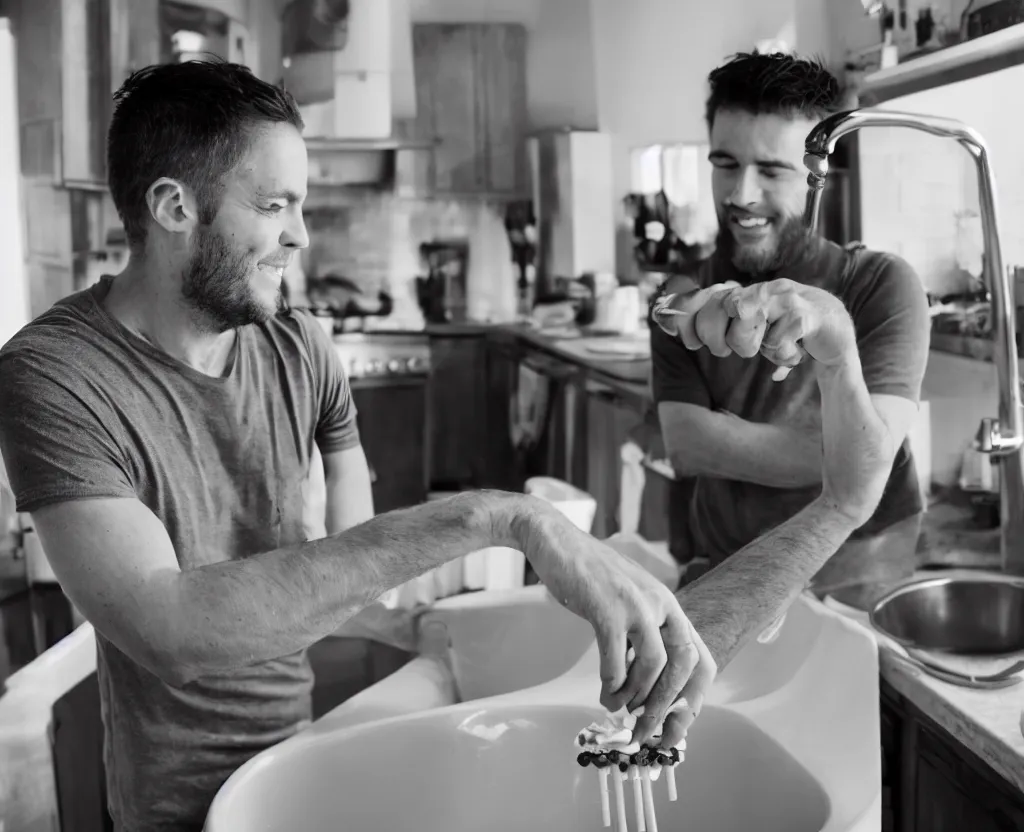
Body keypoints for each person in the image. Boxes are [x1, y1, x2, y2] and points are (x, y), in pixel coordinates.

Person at [0, 60, 895, 832]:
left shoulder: (299, 346)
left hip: (301, 749)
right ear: (171, 207)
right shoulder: (55, 374)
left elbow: (353, 566)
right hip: (172, 802)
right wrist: (502, 518)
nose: (301, 236)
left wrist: (486, 624)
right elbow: (172, 632)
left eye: (301, 204)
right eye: (274, 205)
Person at [650, 51, 931, 609]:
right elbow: (685, 446)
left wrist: (838, 352)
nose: (741, 194)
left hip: (857, 583)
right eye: (726, 163)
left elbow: (867, 471)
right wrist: (839, 450)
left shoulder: (882, 285)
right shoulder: (686, 298)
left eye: (772, 170)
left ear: (818, 175)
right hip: (731, 576)